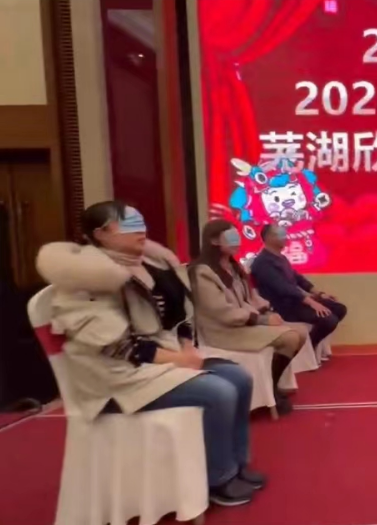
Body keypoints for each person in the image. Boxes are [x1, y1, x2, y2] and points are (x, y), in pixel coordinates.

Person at [35, 201, 264, 507]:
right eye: (128, 224)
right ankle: (218, 479)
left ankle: (236, 464)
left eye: (140, 221)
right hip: (115, 378)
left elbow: (178, 317)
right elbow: (115, 347)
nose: (140, 229)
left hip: (157, 361)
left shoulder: (149, 265)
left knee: (239, 376)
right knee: (219, 392)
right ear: (101, 234)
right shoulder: (85, 279)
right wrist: (179, 361)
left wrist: (186, 347)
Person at [189, 220, 307, 415]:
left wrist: (267, 312)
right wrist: (261, 320)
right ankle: (271, 389)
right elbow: (222, 312)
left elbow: (250, 298)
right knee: (291, 337)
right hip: (223, 332)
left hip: (243, 324)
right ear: (214, 241)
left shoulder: (234, 267)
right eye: (230, 237)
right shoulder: (202, 272)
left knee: (300, 333)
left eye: (237, 236)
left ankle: (271, 384)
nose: (237, 241)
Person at [250, 224, 348, 353]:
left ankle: (310, 344)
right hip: (282, 308)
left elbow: (298, 278)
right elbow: (284, 288)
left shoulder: (282, 258)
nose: (285, 237)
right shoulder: (262, 262)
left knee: (339, 309)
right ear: (268, 238)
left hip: (296, 302)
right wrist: (312, 302)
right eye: (280, 234)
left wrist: (319, 294)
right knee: (329, 320)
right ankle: (306, 349)